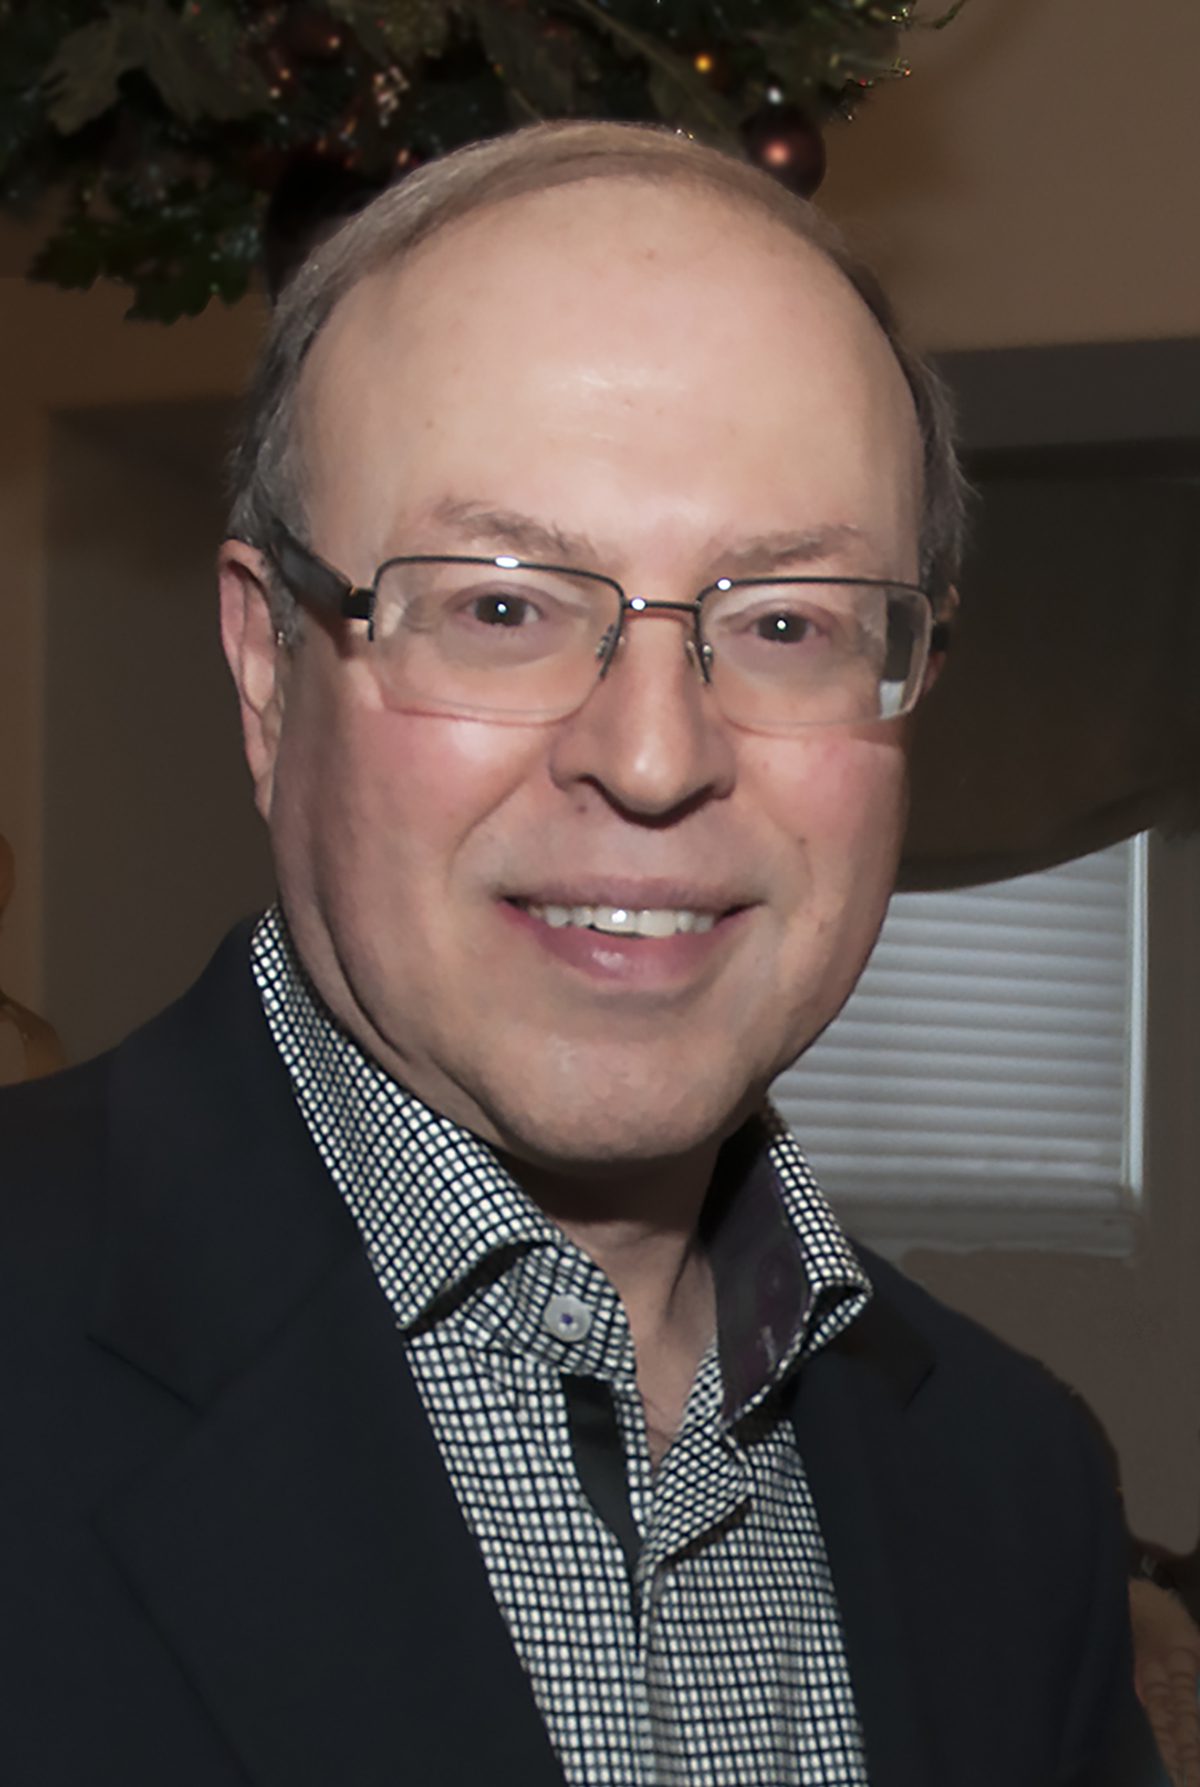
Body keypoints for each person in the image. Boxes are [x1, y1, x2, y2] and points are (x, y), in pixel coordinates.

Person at [0, 121, 1161, 1786]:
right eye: (499, 604)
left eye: (784, 623)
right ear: (267, 670)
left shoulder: (1013, 1484)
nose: (655, 751)